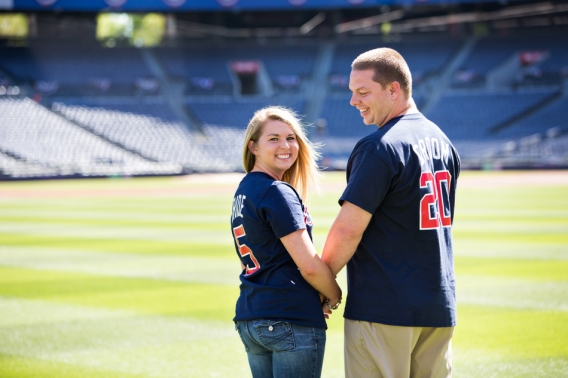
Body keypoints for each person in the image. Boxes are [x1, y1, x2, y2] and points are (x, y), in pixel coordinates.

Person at [321, 47, 460, 378]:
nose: (354, 101)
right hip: (438, 307)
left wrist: (321, 286)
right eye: (352, 92)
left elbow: (347, 230)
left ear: (393, 88)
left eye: (363, 91)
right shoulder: (443, 141)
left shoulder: (380, 146)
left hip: (384, 308)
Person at [231, 106, 342, 378]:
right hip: (289, 318)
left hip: (252, 316)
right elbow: (310, 266)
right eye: (274, 139)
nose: (286, 145)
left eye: (291, 137)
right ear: (253, 147)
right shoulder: (276, 191)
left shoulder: (245, 189)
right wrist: (334, 296)